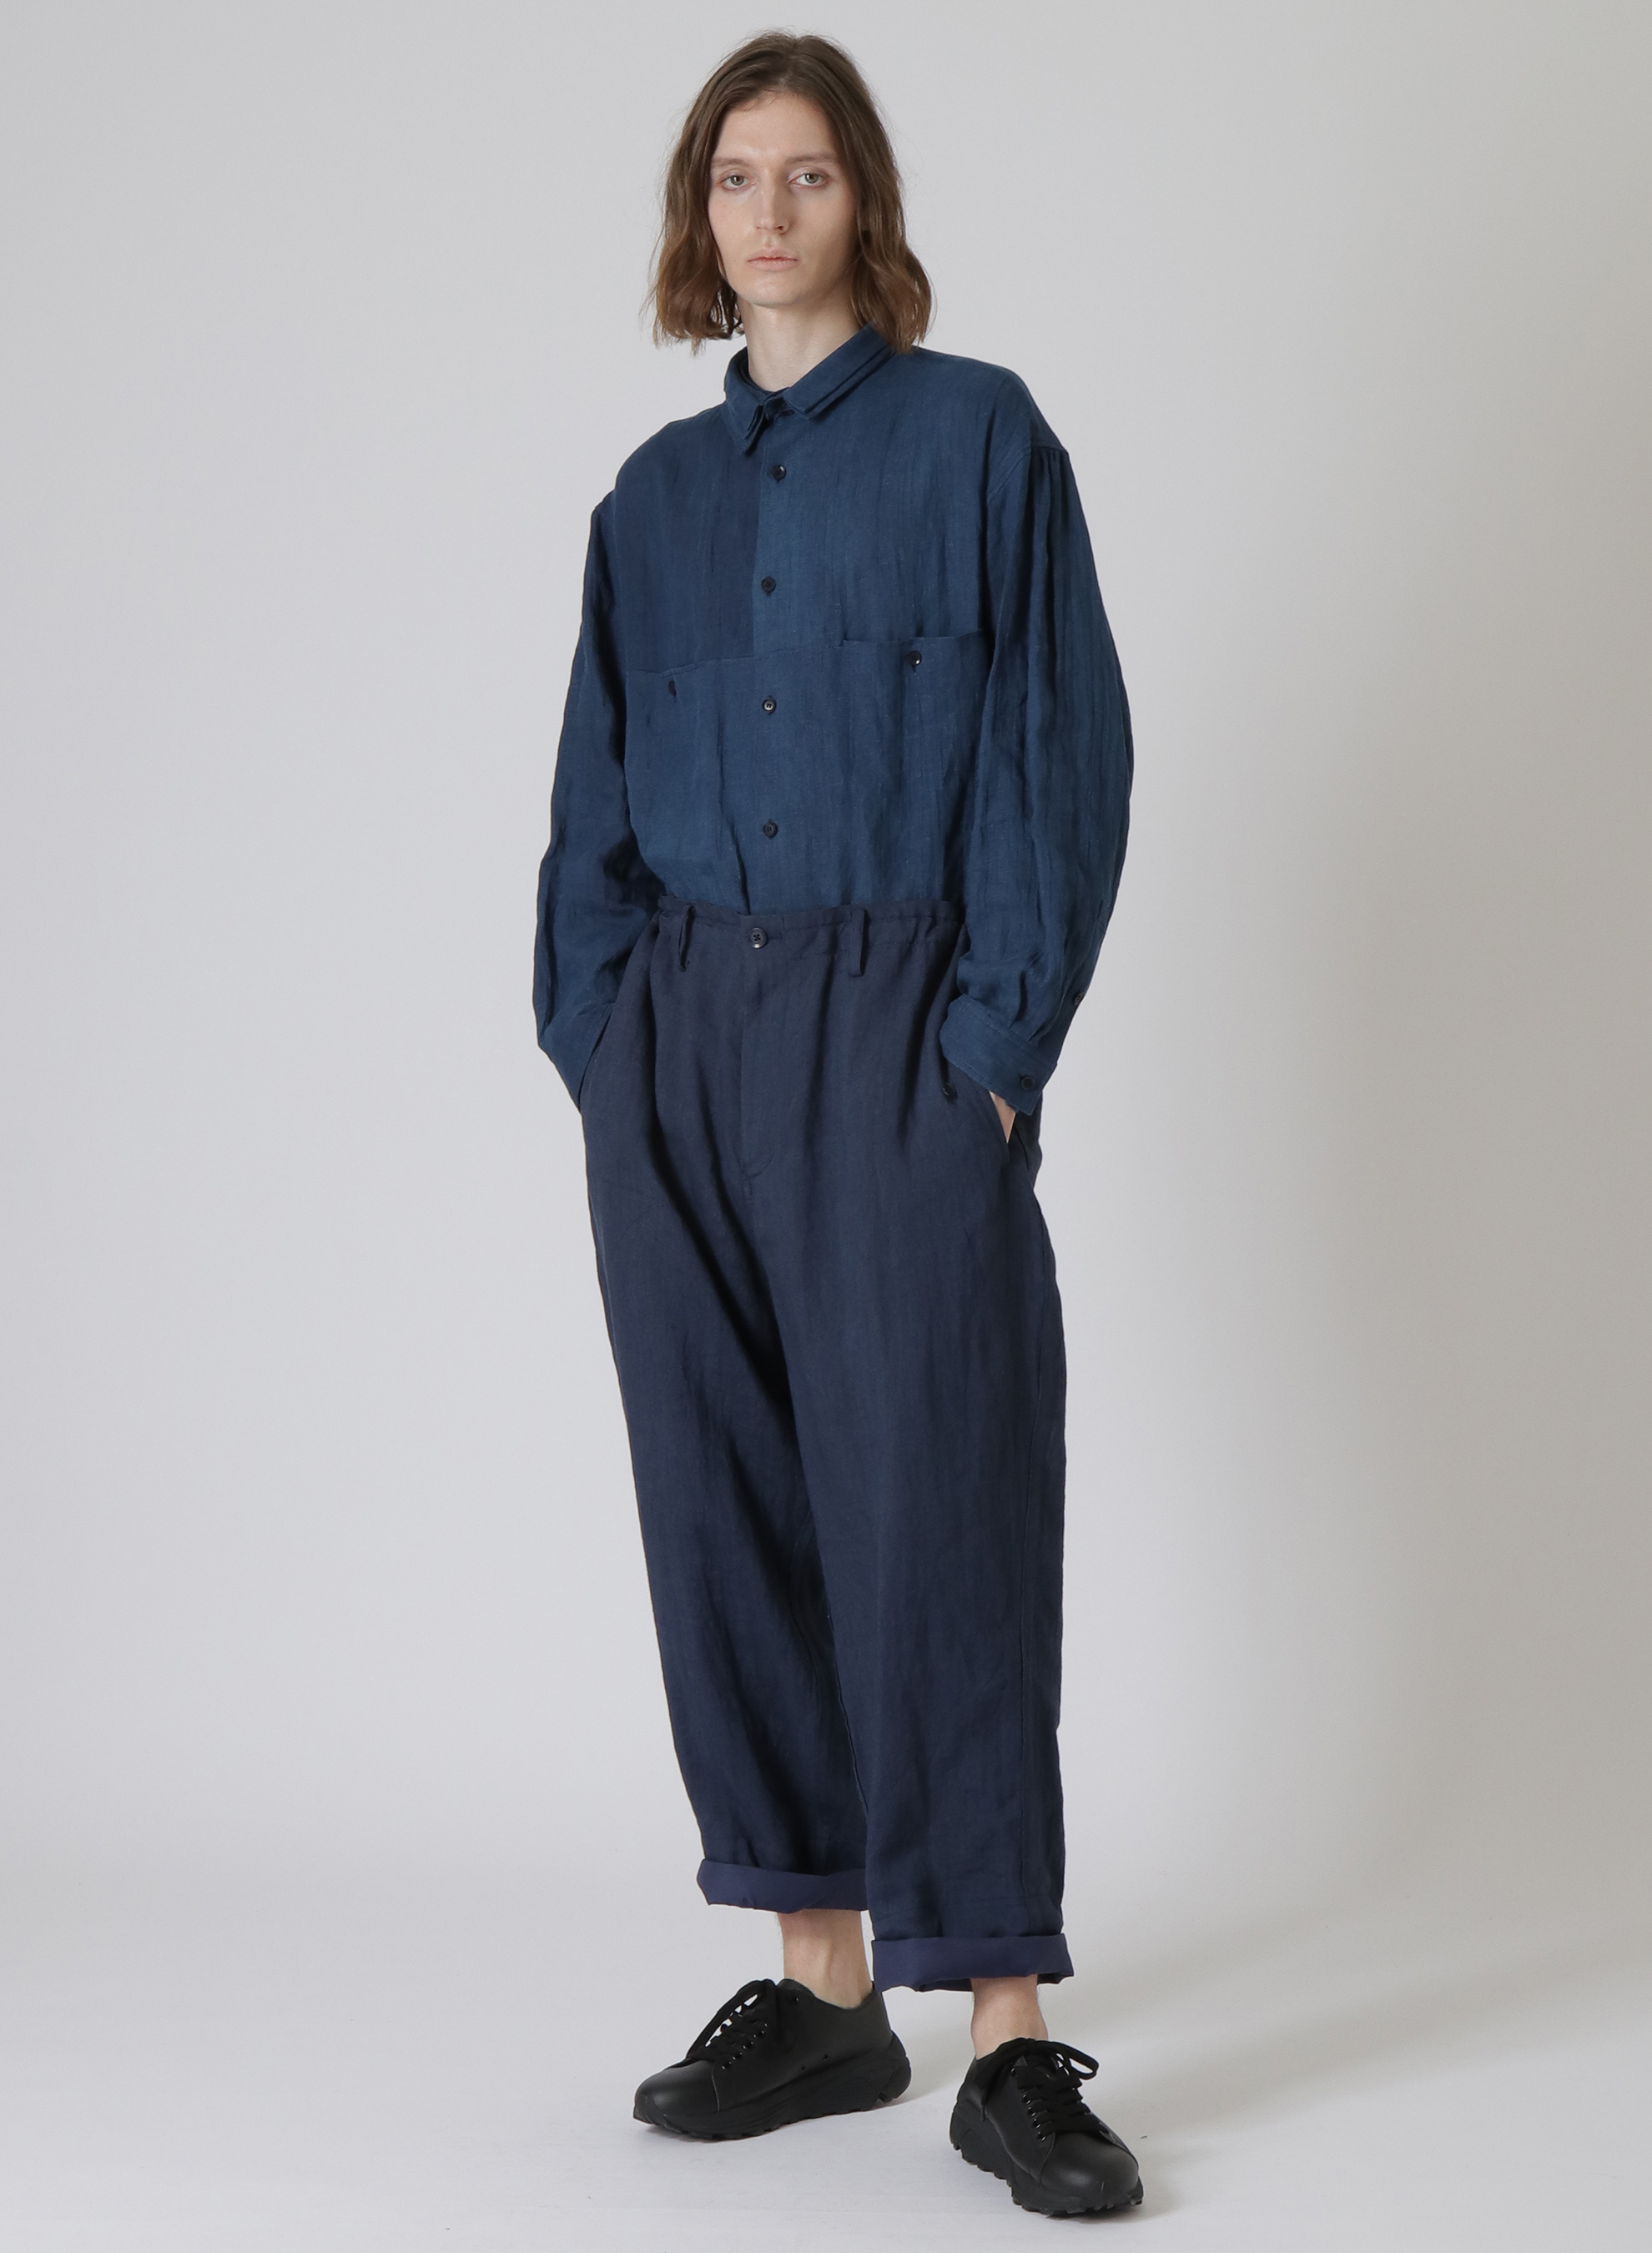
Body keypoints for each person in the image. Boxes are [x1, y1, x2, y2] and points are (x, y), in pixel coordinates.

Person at [534, 30, 1136, 2218]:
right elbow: (591, 799)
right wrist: (604, 1039)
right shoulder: (651, 503)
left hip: (901, 1026)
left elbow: (1056, 756)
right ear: (695, 218)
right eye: (732, 176)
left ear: (862, 201)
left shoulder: (980, 443)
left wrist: (991, 1048)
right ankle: (820, 1982)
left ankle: (1004, 2027)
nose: (767, 212)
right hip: (684, 1034)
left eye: (804, 173)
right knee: (730, 1503)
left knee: (936, 1503)